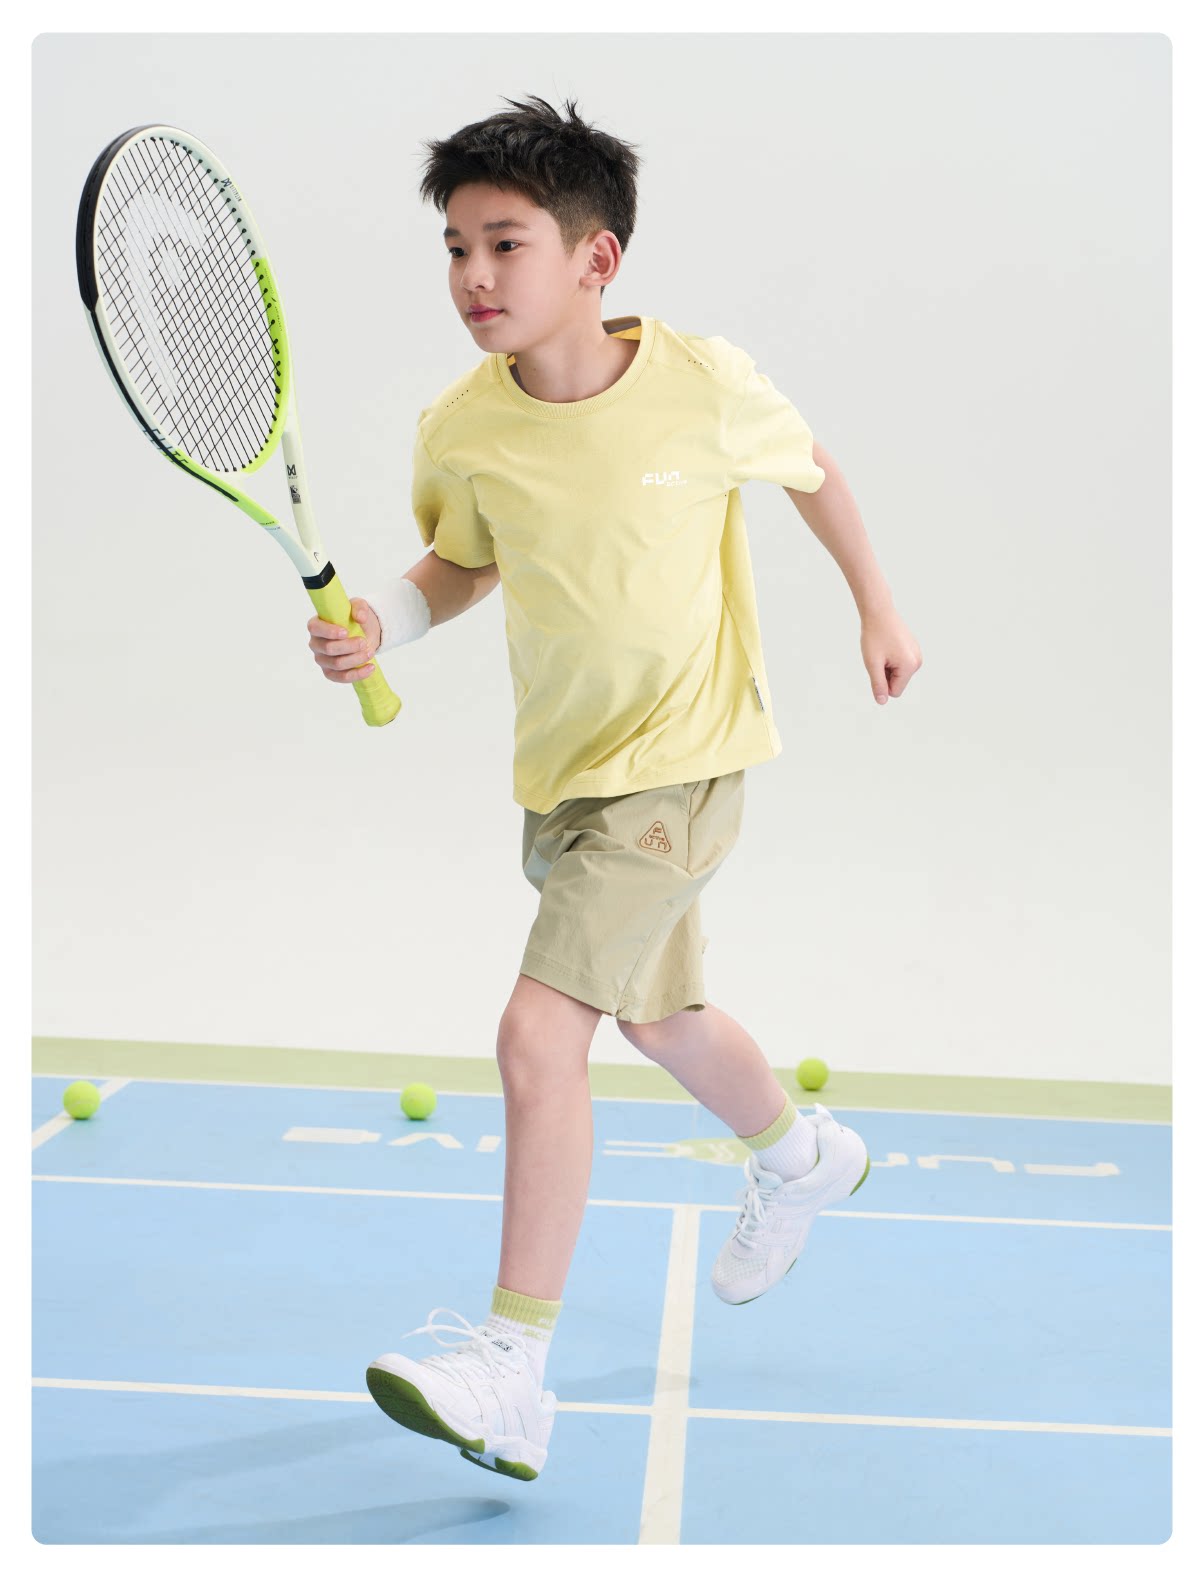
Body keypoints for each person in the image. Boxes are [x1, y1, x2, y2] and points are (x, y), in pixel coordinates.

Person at [307, 94, 923, 1482]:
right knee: (661, 1017)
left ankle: (511, 1367)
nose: (473, 275)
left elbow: (811, 468)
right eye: (455, 248)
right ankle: (799, 1156)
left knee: (540, 1036)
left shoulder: (700, 381)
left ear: (597, 259)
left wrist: (877, 606)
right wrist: (383, 624)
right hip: (569, 776)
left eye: (505, 244)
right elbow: (464, 562)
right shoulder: (463, 426)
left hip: (684, 761)